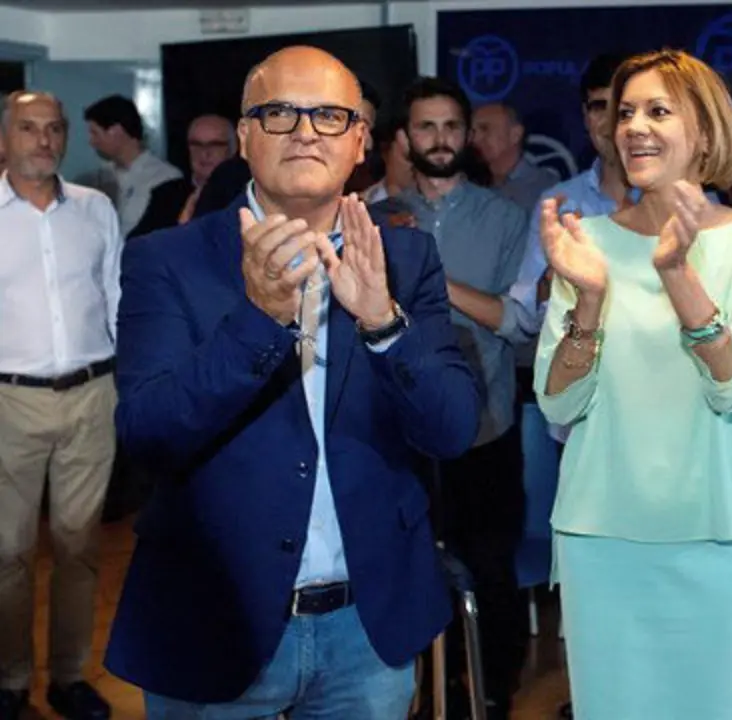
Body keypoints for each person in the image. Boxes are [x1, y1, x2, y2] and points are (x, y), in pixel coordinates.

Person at [104, 46, 481, 718]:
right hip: (214, 616)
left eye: (331, 116)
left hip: (366, 626)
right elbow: (148, 434)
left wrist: (385, 325)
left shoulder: (405, 259)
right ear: (244, 136)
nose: (306, 131)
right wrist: (259, 319)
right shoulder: (166, 258)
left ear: (360, 140)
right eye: (279, 113)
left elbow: (451, 429)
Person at [534, 48, 732, 719]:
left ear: (705, 131)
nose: (634, 127)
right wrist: (587, 300)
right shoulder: (581, 240)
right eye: (625, 113)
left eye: (657, 111)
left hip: (718, 532)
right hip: (602, 534)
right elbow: (557, 400)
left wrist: (678, 275)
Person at [369, 76, 530, 719]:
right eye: (425, 127)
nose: (439, 140)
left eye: (451, 127)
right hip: (392, 429)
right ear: (405, 138)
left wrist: (429, 271)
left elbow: (518, 322)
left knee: (489, 569)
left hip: (482, 422)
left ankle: (487, 693)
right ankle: (408, 693)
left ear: (468, 136)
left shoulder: (507, 218)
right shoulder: (374, 216)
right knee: (401, 569)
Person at [0, 90, 121, 720]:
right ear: (4, 138)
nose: (42, 140)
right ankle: (11, 678)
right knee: (7, 554)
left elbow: (116, 296)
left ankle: (70, 678)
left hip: (91, 396)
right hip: (8, 402)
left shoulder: (96, 209)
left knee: (79, 547)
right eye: (28, 128)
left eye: (53, 129)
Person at [84, 94, 182, 236]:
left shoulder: (166, 179)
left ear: (116, 131)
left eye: (95, 133)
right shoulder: (98, 179)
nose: (92, 142)